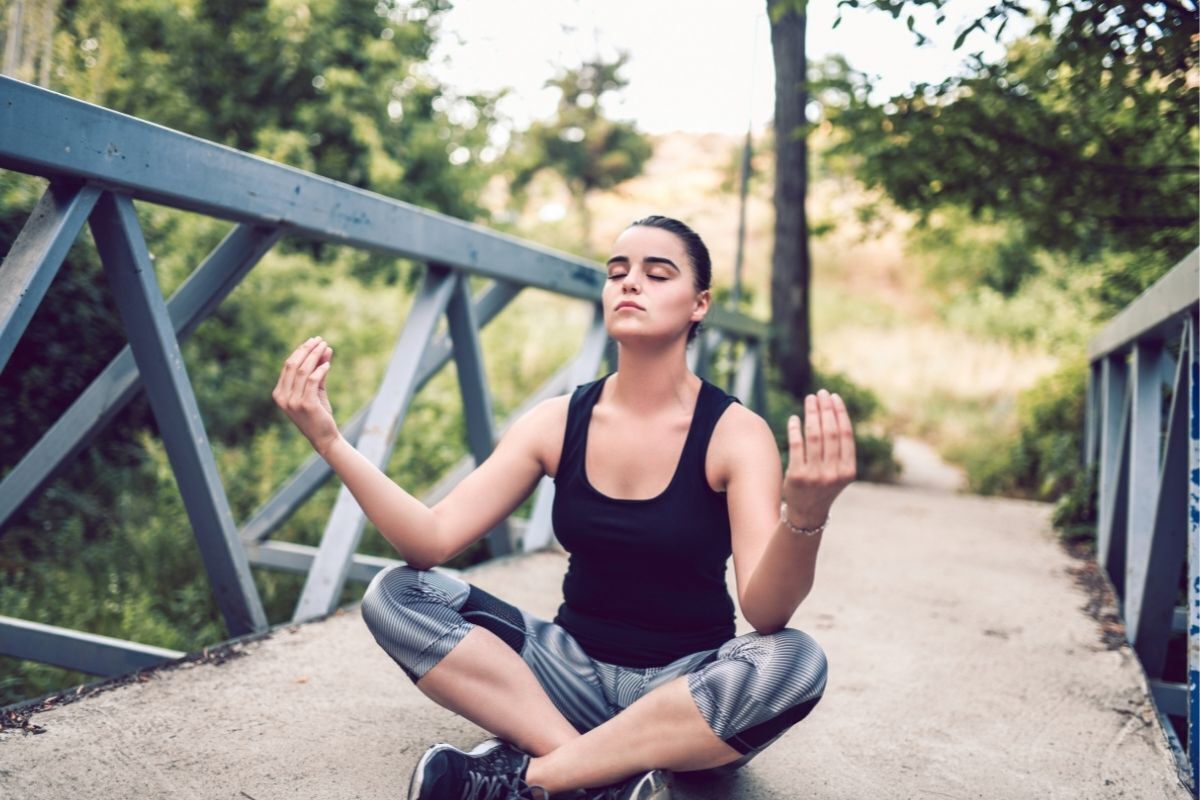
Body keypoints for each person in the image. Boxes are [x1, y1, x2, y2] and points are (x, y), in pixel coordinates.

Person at [273, 215, 856, 800]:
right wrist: (330, 441)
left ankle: (535, 778)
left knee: (796, 660)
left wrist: (804, 516)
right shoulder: (557, 422)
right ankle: (603, 774)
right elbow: (429, 540)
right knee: (397, 594)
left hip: (686, 690)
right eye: (617, 272)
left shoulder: (735, 434)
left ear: (699, 304)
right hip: (563, 679)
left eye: (657, 274)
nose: (629, 284)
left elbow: (765, 612)